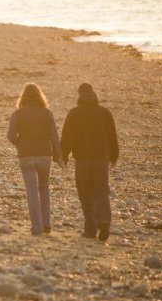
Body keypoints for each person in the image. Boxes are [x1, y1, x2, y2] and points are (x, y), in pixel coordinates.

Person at [60, 83, 119, 241]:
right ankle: (104, 220)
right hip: (101, 159)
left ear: (80, 95)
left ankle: (90, 229)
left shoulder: (74, 113)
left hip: (83, 161)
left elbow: (67, 137)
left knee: (85, 194)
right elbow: (112, 136)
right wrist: (114, 156)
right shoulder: (105, 113)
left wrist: (63, 155)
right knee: (102, 191)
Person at [7, 83, 61, 236]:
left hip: (26, 156)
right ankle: (47, 224)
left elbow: (10, 136)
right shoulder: (47, 113)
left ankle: (36, 227)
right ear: (40, 96)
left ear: (23, 97)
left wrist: (20, 143)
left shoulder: (17, 114)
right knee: (44, 189)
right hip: (44, 155)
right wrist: (57, 154)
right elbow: (54, 136)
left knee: (31, 191)